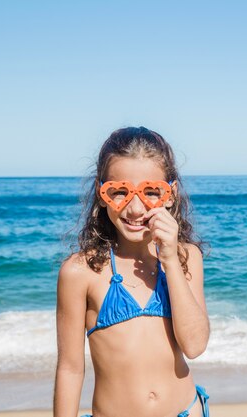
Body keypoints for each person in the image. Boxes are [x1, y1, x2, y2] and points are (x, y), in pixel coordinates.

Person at [54, 126, 211, 417]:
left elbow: (194, 345)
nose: (135, 208)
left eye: (151, 192)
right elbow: (70, 369)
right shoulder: (81, 271)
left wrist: (171, 262)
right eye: (120, 192)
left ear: (170, 194)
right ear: (102, 195)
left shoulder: (186, 257)